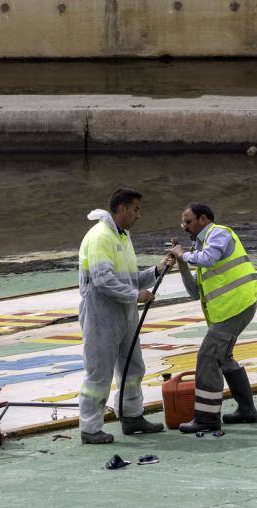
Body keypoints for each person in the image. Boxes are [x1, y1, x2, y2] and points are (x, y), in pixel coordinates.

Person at [78, 188, 174, 444]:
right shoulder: (101, 236)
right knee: (99, 371)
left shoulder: (122, 236)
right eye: (135, 209)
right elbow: (102, 281)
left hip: (125, 313)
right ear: (121, 208)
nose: (138, 215)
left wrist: (156, 270)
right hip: (101, 314)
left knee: (133, 366)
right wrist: (136, 296)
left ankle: (132, 416)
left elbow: (128, 280)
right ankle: (90, 427)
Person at [167, 203, 257, 433]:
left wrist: (184, 254)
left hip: (236, 306)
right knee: (223, 357)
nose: (184, 226)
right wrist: (181, 262)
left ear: (204, 219)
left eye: (188, 221)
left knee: (208, 357)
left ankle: (207, 419)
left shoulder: (218, 233)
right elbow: (194, 292)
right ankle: (247, 410)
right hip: (228, 310)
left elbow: (208, 258)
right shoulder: (200, 247)